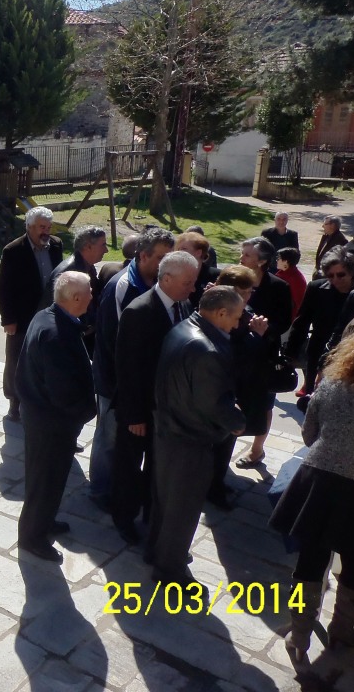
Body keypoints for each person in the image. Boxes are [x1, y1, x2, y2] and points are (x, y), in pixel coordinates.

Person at [148, 287, 247, 587]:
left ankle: (157, 551)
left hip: (167, 432)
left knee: (164, 501)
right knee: (182, 510)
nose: (237, 324)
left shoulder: (182, 327)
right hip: (189, 441)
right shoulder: (207, 350)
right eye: (236, 318)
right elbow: (213, 404)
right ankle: (169, 570)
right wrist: (237, 421)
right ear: (220, 313)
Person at [271, 331, 354, 664]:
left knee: (309, 562)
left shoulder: (331, 385)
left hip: (320, 484)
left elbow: (309, 435)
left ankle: (299, 634)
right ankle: (342, 631)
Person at [111, 250, 199, 544]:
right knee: (129, 466)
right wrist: (134, 415)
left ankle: (151, 514)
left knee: (157, 467)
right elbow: (127, 368)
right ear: (167, 279)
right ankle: (123, 518)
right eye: (188, 282)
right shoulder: (139, 311)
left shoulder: (183, 305)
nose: (193, 288)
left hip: (166, 409)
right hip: (139, 410)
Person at [89, 227, 174, 511]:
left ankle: (122, 486)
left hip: (141, 384)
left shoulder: (161, 283)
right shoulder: (123, 286)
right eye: (161, 257)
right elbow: (114, 343)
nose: (165, 263)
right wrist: (123, 389)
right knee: (109, 437)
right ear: (143, 255)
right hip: (114, 382)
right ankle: (100, 490)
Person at [15, 272, 97, 563]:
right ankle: (32, 538)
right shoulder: (55, 334)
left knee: (50, 480)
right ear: (75, 298)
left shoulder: (49, 317)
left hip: (45, 418)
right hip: (51, 424)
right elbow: (63, 391)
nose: (92, 295)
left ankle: (45, 522)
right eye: (89, 291)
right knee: (44, 481)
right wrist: (87, 411)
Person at [0, 206, 63, 421]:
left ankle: (42, 397)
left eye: (49, 227)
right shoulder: (13, 250)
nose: (46, 232)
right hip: (22, 318)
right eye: (42, 227)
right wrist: (8, 319)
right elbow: (3, 288)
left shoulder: (56, 245)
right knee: (16, 361)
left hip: (49, 316)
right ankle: (14, 402)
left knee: (45, 359)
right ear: (30, 227)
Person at [211, 266, 269, 508]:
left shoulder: (246, 311)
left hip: (241, 391)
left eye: (249, 292)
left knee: (228, 441)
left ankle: (218, 481)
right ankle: (213, 489)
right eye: (241, 292)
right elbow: (231, 355)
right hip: (222, 390)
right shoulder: (221, 313)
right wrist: (256, 336)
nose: (246, 297)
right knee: (217, 443)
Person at [235, 236, 293, 469]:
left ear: (261, 261)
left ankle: (257, 449)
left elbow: (285, 322)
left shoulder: (278, 287)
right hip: (236, 351)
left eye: (247, 255)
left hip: (264, 354)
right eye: (242, 253)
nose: (241, 258)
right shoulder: (234, 279)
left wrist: (264, 329)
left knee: (265, 403)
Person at [285, 249, 354, 396]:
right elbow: (302, 321)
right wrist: (290, 353)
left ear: (351, 273)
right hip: (319, 353)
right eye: (330, 276)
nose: (336, 279)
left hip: (350, 356)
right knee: (313, 397)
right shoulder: (316, 288)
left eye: (341, 275)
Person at [47, 225, 107, 354]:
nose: (106, 250)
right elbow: (55, 309)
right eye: (103, 245)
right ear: (88, 247)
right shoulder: (70, 273)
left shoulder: (86, 266)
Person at [175, 230, 219, 309]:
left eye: (184, 249)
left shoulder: (216, 276)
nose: (179, 253)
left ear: (198, 253)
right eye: (178, 249)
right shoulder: (173, 274)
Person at [274, 247, 307, 322]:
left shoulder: (296, 279)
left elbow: (299, 304)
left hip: (287, 319)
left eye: (278, 258)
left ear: (286, 261)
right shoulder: (282, 273)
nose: (276, 260)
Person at [313, 215, 348, 280]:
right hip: (320, 272)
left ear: (332, 225)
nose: (323, 226)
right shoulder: (326, 236)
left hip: (327, 277)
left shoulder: (340, 240)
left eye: (325, 224)